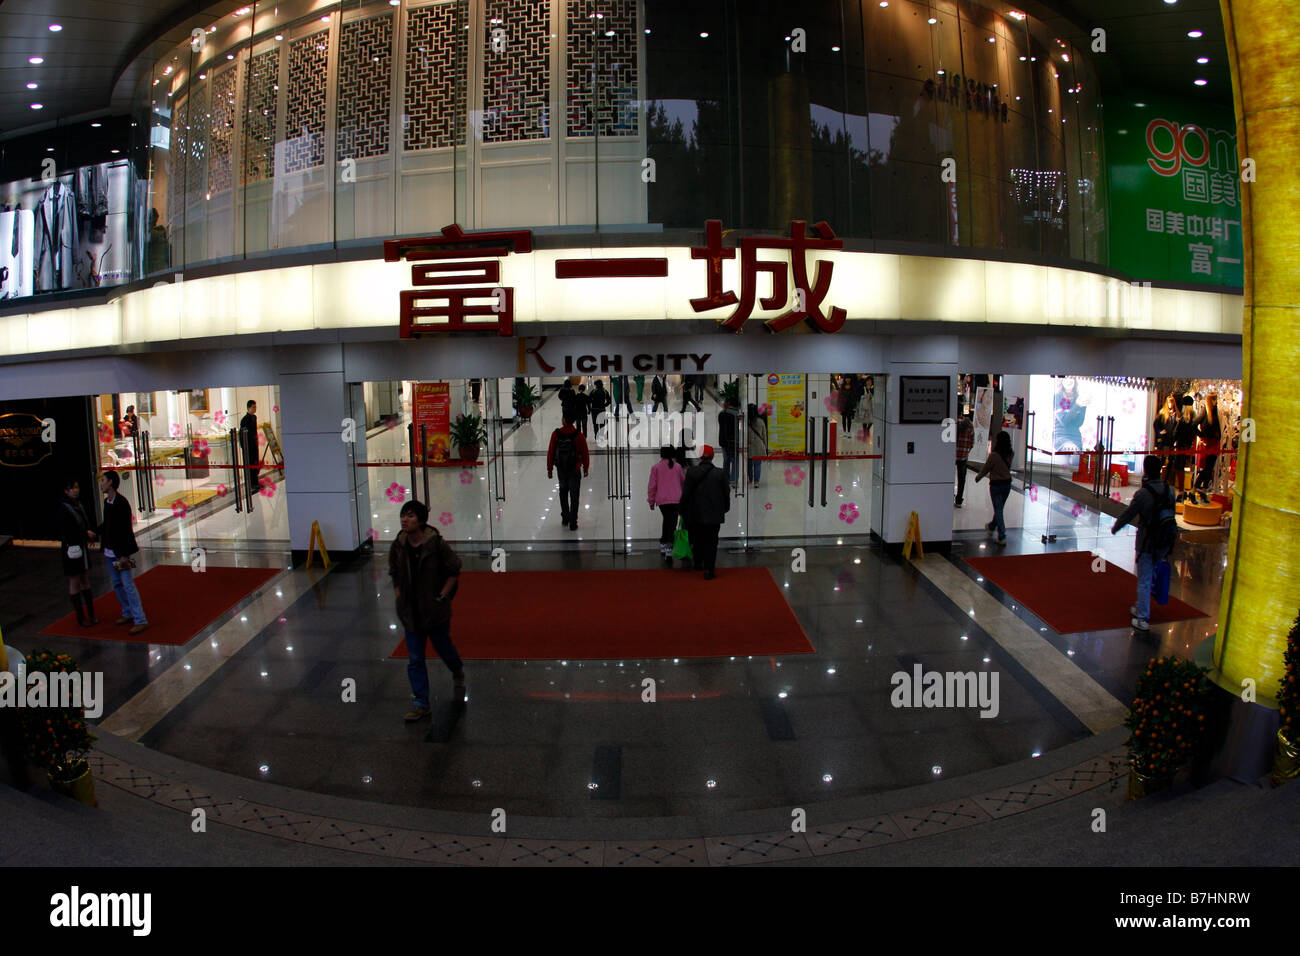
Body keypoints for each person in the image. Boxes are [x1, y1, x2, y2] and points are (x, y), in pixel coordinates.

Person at [389, 499, 465, 720]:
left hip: (434, 610)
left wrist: (442, 596)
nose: (405, 519)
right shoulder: (399, 544)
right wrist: (398, 594)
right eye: (403, 515)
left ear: (421, 520)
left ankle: (457, 668)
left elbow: (454, 570)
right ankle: (421, 703)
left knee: (443, 647)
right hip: (410, 610)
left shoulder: (436, 544)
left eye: (411, 516)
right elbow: (393, 570)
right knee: (415, 658)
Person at [1111, 455, 1176, 631]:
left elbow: (1129, 513)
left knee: (1145, 578)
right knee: (1150, 573)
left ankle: (1142, 617)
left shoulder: (1143, 494)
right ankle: (1141, 606)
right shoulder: (1169, 491)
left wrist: (1116, 526)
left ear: (1146, 470)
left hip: (1147, 541)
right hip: (1164, 540)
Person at [97, 469, 148, 635]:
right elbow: (108, 525)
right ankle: (127, 612)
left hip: (120, 552)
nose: (101, 483)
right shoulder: (108, 503)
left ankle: (140, 618)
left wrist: (124, 554)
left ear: (110, 482)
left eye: (103, 480)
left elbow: (125, 531)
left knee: (127, 584)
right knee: (117, 583)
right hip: (110, 551)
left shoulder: (121, 503)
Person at [680, 445, 730, 579]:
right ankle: (709, 570)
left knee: (697, 539)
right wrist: (725, 508)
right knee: (712, 543)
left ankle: (697, 563)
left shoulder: (691, 472)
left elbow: (686, 493)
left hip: (695, 514)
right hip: (714, 515)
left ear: (700, 457)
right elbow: (726, 493)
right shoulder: (720, 473)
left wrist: (682, 510)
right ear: (713, 457)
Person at [59, 476, 98, 627]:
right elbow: (67, 531)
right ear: (66, 491)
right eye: (72, 488)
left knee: (85, 579)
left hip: (81, 547)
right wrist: (85, 534)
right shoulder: (64, 508)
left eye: (76, 487)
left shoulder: (79, 505)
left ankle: (91, 613)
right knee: (75, 581)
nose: (75, 491)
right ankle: (81, 617)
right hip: (72, 549)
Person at [547, 413, 590, 530]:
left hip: (561, 470)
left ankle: (565, 517)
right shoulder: (579, 435)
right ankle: (573, 522)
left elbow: (551, 452)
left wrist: (549, 469)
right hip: (574, 470)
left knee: (563, 493)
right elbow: (585, 453)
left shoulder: (556, 434)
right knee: (574, 496)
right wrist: (585, 468)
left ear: (564, 420)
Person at [974, 430, 1014, 546]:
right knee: (999, 508)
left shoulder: (994, 456)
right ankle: (991, 526)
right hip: (1007, 484)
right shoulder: (1011, 453)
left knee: (998, 510)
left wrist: (979, 477)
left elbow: (986, 468)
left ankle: (1002, 536)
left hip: (996, 485)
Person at [647, 446, 686, 564]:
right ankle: (669, 549)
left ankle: (663, 544)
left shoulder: (656, 468)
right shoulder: (678, 467)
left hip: (662, 501)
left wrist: (651, 500)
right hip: (676, 500)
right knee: (672, 524)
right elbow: (683, 482)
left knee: (667, 521)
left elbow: (652, 486)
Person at [1194, 391, 1222, 493]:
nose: (1216, 401)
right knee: (1207, 467)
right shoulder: (1205, 411)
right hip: (1208, 443)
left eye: (1216, 399)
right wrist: (1201, 435)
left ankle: (1204, 487)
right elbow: (1194, 424)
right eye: (1214, 399)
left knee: (1210, 467)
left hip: (1214, 443)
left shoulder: (1215, 411)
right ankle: (1198, 485)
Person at [1153, 394, 1179, 484]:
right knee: (1162, 459)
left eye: (1171, 403)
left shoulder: (1176, 414)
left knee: (1171, 460)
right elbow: (1156, 424)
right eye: (1169, 403)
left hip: (1171, 440)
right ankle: (1158, 478)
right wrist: (1160, 431)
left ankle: (1166, 479)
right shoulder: (1162, 413)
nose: (1170, 405)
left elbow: (1177, 427)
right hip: (1164, 440)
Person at [239, 399, 259, 510]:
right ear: (248, 408)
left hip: (254, 445)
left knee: (255, 463)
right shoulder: (244, 420)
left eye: (255, 407)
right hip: (248, 447)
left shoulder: (254, 418)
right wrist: (244, 447)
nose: (255, 409)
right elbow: (242, 435)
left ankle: (255, 481)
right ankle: (250, 483)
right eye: (253, 407)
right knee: (250, 464)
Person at [718, 396, 740, 485]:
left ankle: (725, 479)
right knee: (735, 461)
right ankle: (733, 480)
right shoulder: (737, 415)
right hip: (734, 441)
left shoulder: (721, 413)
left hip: (723, 441)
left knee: (726, 460)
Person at [746, 402, 768, 487]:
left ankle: (750, 479)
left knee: (749, 464)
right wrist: (765, 447)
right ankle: (756, 482)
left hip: (749, 445)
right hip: (759, 445)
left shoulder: (746, 421)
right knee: (757, 464)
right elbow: (764, 435)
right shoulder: (760, 421)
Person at [955, 413, 974, 507]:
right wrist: (966, 451)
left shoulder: (951, 422)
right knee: (961, 479)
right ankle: (958, 500)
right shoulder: (970, 424)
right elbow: (972, 442)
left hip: (951, 455)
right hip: (963, 456)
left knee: (949, 477)